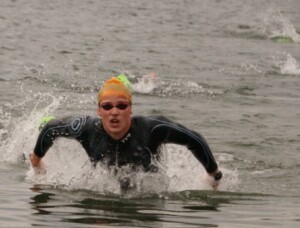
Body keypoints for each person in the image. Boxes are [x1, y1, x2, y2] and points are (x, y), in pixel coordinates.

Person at [29, 75, 222, 189]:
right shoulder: (86, 128)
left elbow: (195, 139)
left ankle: (124, 81)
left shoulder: (153, 128)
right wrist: (37, 161)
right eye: (107, 106)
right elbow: (51, 129)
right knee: (48, 123)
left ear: (131, 109)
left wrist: (213, 174)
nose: (114, 112)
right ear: (99, 111)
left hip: (147, 180)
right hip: (107, 181)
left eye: (121, 106)